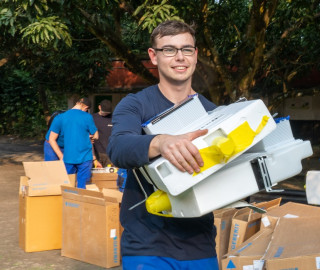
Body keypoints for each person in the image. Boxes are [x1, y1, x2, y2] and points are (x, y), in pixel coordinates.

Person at [107, 20, 218, 269]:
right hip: (147, 245)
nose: (180, 57)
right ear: (153, 56)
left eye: (186, 49)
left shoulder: (214, 114)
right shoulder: (135, 104)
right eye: (169, 50)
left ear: (196, 55)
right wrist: (161, 142)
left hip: (199, 244)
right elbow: (118, 147)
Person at [49, 97, 98, 189]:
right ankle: (81, 202)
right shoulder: (87, 116)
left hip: (68, 157)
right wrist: (89, 137)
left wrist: (60, 156)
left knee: (68, 187)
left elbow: (51, 139)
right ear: (86, 107)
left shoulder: (60, 117)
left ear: (77, 103)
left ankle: (70, 203)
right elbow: (96, 135)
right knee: (83, 187)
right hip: (85, 157)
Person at [93, 99, 113, 167]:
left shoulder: (114, 118)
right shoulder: (92, 118)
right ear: (99, 107)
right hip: (96, 153)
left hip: (110, 154)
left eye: (107, 113)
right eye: (103, 112)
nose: (105, 114)